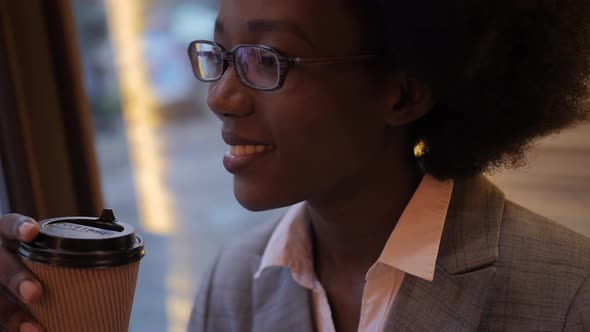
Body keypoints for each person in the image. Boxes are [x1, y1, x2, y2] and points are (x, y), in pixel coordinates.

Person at [1, 0, 590, 331]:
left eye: (267, 59)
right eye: (222, 56)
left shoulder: (568, 296)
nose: (220, 97)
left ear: (403, 94)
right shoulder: (236, 279)